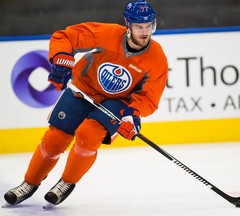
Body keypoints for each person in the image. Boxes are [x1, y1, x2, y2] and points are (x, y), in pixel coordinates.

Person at [4, 0, 168, 207]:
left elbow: (149, 98)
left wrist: (132, 115)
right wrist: (62, 58)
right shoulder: (107, 34)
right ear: (128, 25)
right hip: (83, 88)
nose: (145, 32)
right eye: (139, 26)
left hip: (116, 102)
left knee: (88, 136)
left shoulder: (157, 58)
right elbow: (65, 37)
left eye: (148, 26)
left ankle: (66, 182)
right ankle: (29, 183)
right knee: (55, 139)